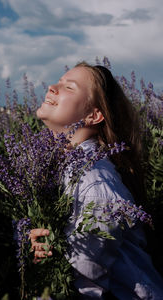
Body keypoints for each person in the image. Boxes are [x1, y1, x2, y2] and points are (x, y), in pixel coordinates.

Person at [29, 62, 163, 299]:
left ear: (93, 115)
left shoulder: (94, 184)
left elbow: (84, 281)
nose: (51, 87)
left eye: (68, 87)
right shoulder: (66, 166)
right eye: (58, 81)